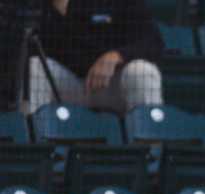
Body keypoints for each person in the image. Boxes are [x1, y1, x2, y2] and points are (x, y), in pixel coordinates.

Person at [29, 0, 164, 114]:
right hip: (68, 83)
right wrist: (59, 9)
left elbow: (153, 41)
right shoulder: (40, 5)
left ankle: (148, 140)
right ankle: (35, 141)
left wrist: (116, 56)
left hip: (110, 85)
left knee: (143, 72)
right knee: (34, 66)